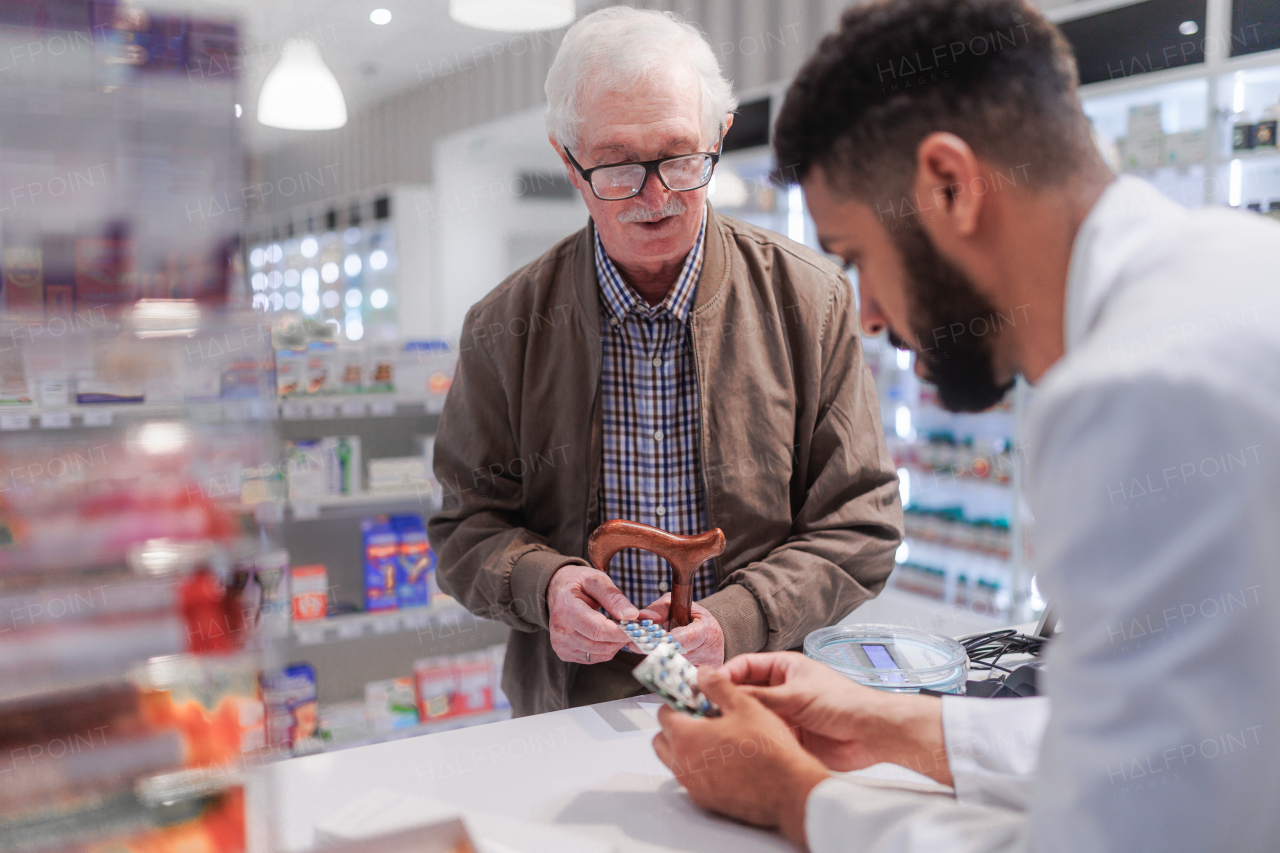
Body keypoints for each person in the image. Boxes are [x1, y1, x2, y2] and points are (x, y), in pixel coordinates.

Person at [653, 0, 1280, 850]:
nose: (868, 314)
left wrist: (795, 797)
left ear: (948, 185)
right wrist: (894, 723)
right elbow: (1170, 749)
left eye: (857, 256)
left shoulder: (1134, 390)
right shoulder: (1231, 270)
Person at [428, 6, 904, 717]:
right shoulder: (505, 327)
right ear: (568, 160)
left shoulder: (811, 301)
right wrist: (545, 583)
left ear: (719, 135)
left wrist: (740, 616)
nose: (657, 198)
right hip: (567, 709)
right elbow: (466, 529)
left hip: (757, 694)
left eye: (682, 158)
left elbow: (859, 523)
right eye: (619, 165)